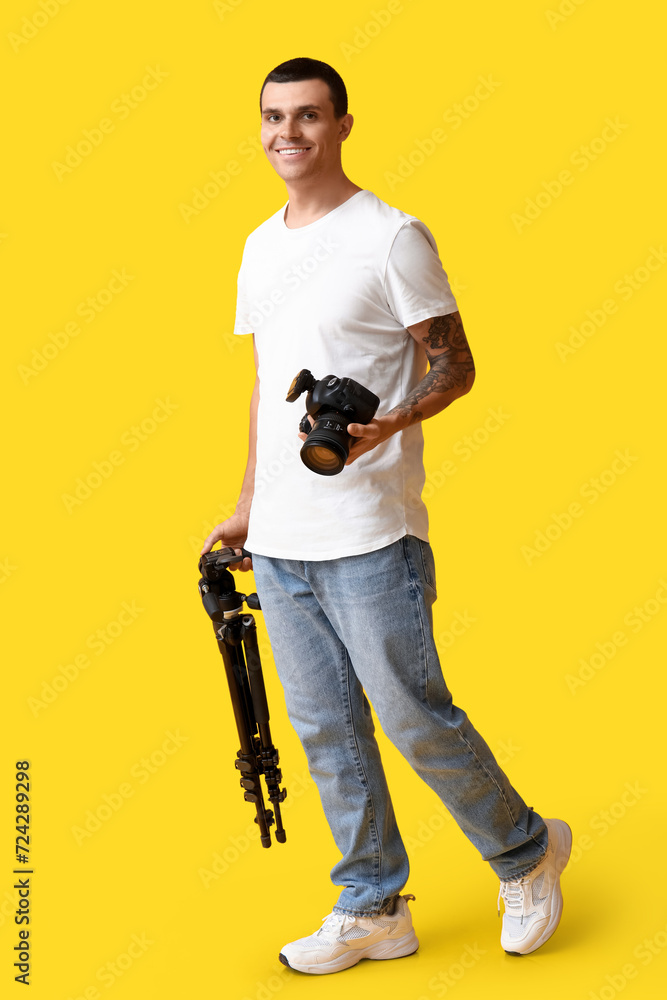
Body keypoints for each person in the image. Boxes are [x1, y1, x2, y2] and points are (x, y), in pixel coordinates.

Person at [201, 57, 571, 975]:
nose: (287, 134)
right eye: (273, 117)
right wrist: (249, 504)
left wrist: (385, 426)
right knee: (325, 728)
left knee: (411, 715)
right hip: (282, 541)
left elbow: (456, 365)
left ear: (343, 125)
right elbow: (262, 385)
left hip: (370, 530)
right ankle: (372, 905)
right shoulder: (259, 246)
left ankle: (526, 852)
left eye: (308, 117)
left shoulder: (389, 236)